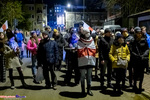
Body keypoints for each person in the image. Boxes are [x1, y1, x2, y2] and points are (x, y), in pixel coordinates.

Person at [77, 28, 96, 96]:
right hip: (82, 61)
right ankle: (83, 90)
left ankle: (89, 90)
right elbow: (79, 51)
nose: (88, 36)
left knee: (89, 76)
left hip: (90, 60)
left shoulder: (92, 41)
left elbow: (94, 49)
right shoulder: (79, 41)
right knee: (82, 76)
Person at [130, 27, 149, 94]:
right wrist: (136, 56)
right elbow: (131, 50)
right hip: (136, 60)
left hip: (142, 59)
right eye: (138, 33)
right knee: (135, 74)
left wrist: (144, 55)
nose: (139, 34)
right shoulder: (133, 41)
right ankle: (134, 85)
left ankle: (140, 86)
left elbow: (147, 49)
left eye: (140, 33)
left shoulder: (144, 40)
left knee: (141, 74)